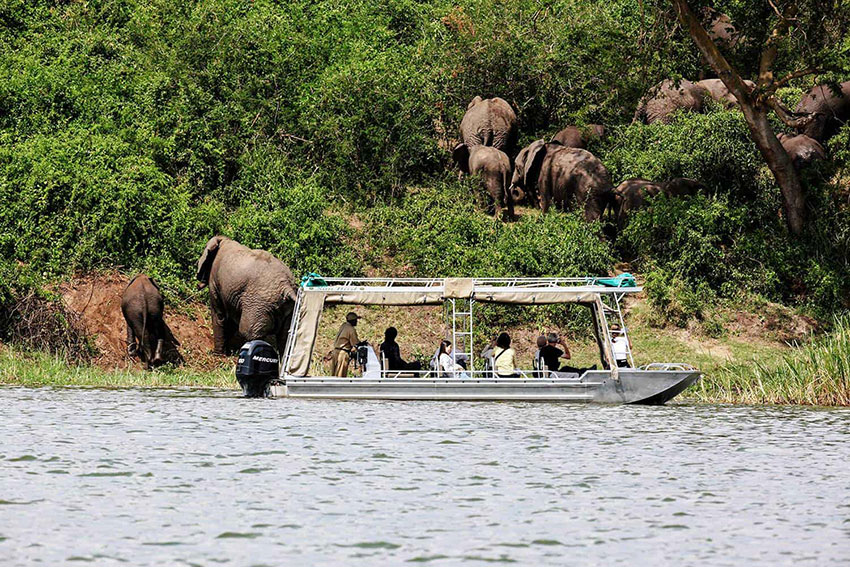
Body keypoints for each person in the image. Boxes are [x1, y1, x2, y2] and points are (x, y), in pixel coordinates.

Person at [332, 312, 360, 377]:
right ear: (353, 321)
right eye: (356, 320)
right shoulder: (351, 329)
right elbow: (355, 343)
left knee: (334, 374)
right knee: (340, 375)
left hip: (336, 352)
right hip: (342, 353)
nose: (357, 322)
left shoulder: (343, 325)